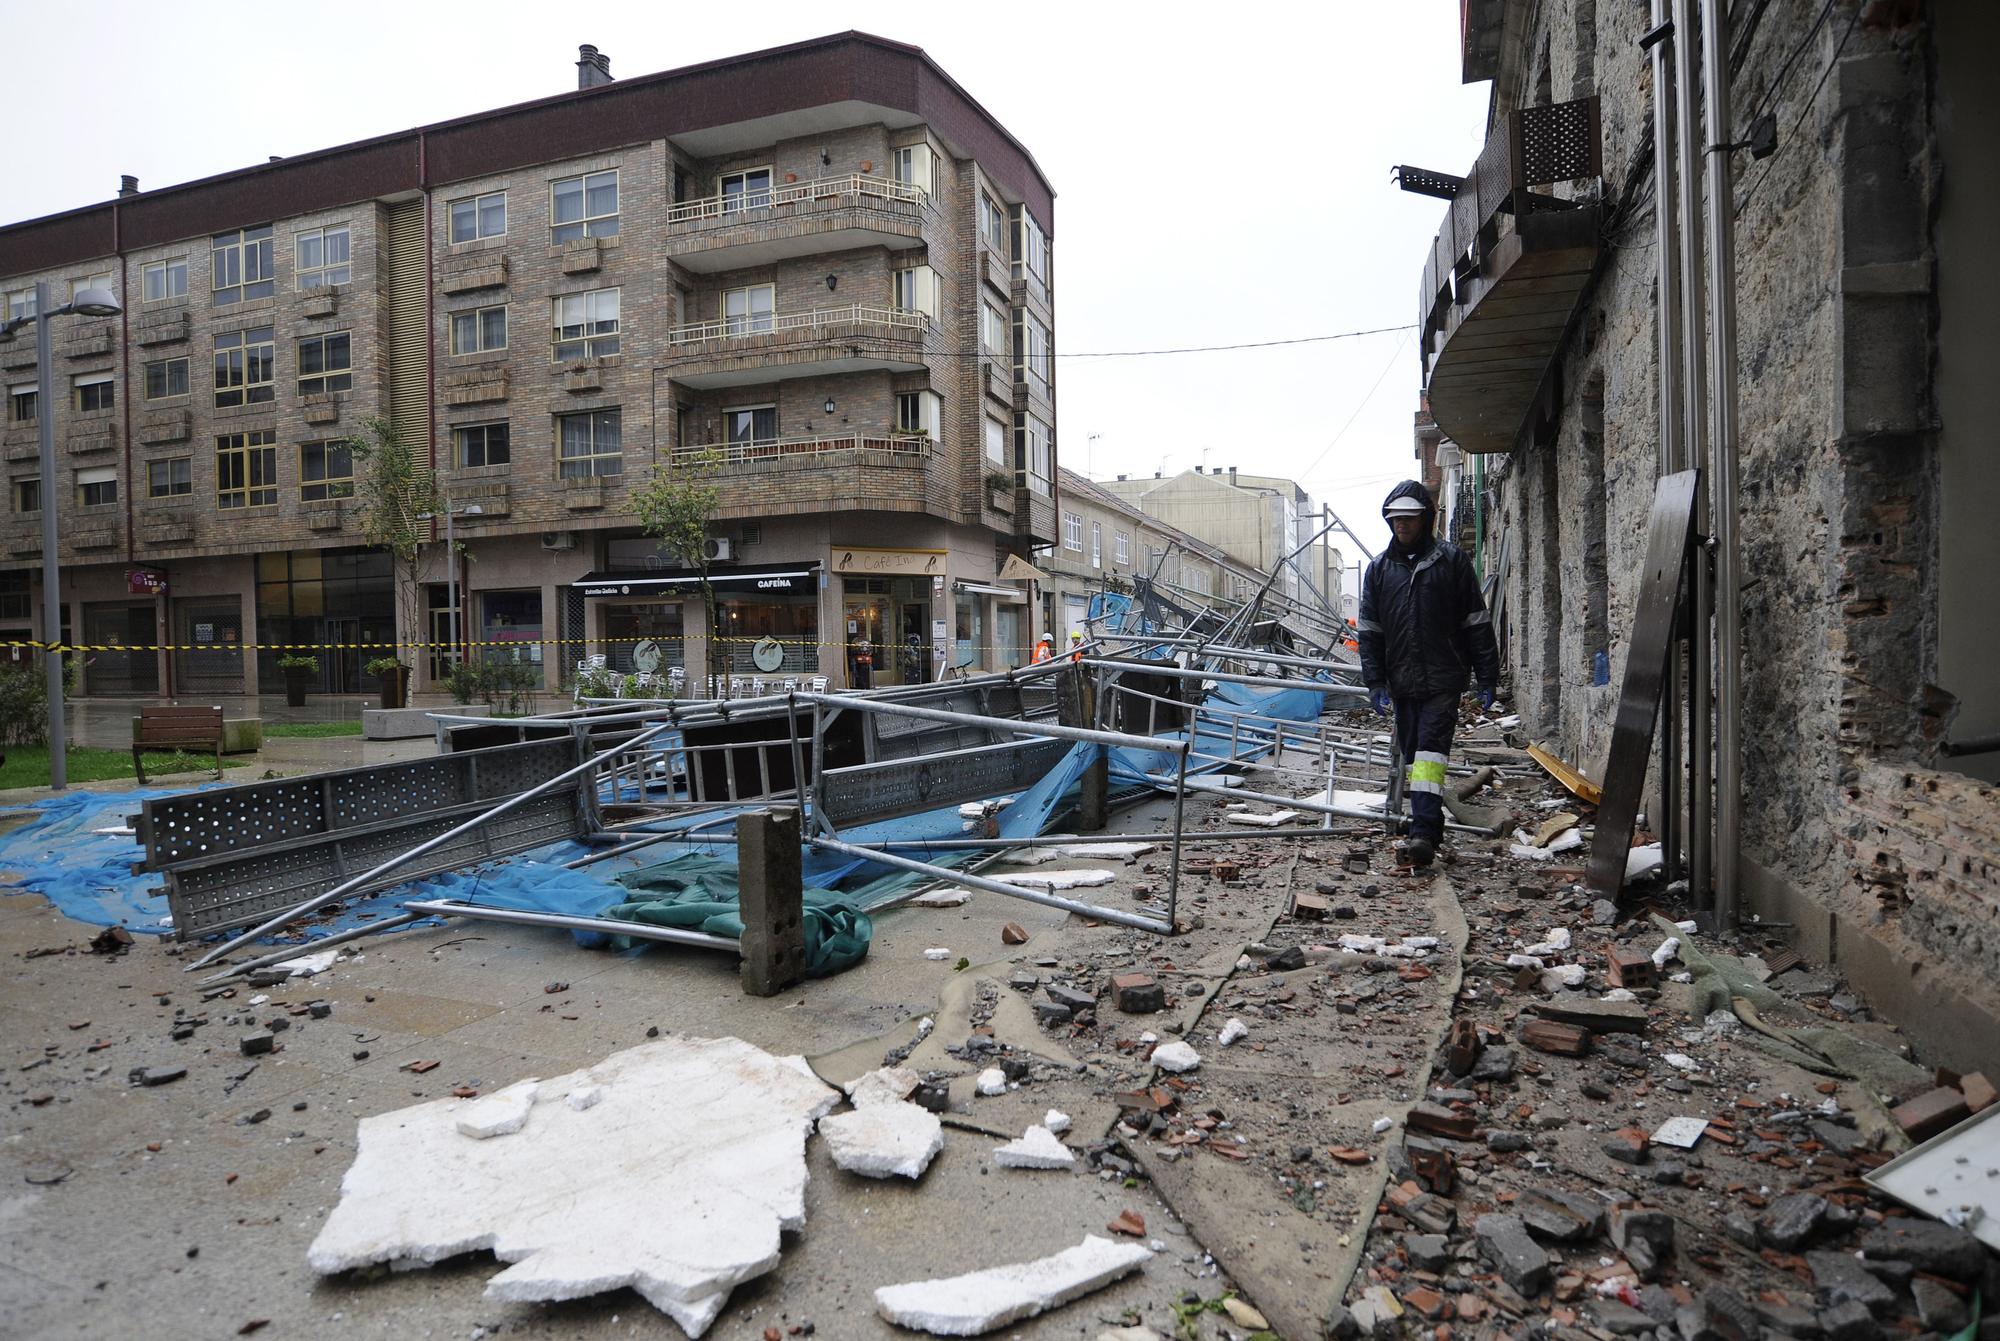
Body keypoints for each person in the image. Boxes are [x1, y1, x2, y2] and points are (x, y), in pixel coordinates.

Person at [1357, 479, 1500, 868]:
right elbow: (1370, 631)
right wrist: (1374, 681)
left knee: (1430, 755)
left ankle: (1422, 833)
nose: (1401, 524)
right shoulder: (1379, 571)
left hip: (1443, 677)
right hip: (1402, 680)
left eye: (1409, 518)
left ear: (1424, 518)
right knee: (1413, 759)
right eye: (1395, 518)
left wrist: (1488, 676)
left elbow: (1476, 622)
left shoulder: (1451, 562)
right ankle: (1428, 822)